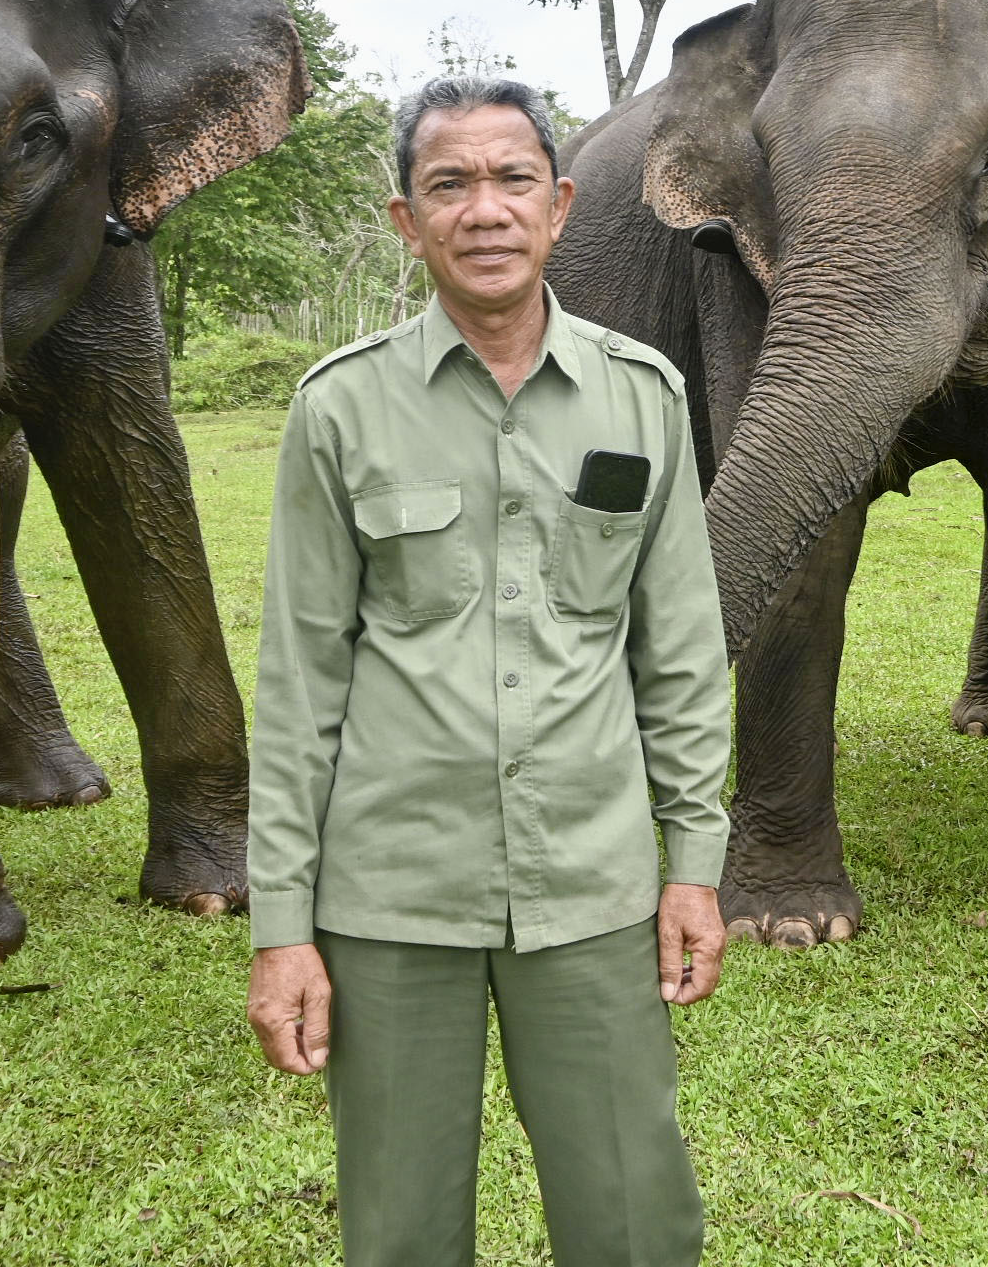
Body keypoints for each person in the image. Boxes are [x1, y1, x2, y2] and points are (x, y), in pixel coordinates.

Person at [245, 75, 732, 1267]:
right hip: (390, 890)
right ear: (408, 222)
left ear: (560, 205)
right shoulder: (339, 408)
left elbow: (678, 655)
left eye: (513, 179)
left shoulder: (643, 396)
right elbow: (299, 684)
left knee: (635, 1218)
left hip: (593, 883)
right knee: (400, 1228)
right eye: (449, 184)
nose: (486, 209)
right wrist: (281, 928)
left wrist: (696, 868)